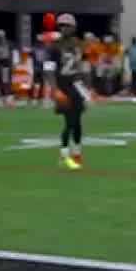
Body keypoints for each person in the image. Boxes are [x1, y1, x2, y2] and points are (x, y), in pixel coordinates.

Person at [51, 14, 90, 170]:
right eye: (61, 25)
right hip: (63, 86)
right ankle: (64, 154)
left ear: (74, 27)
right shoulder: (55, 46)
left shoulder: (79, 44)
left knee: (78, 122)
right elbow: (48, 69)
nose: (64, 28)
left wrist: (87, 86)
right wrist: (55, 89)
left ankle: (77, 153)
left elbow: (84, 66)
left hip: (77, 85)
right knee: (70, 122)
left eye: (67, 25)